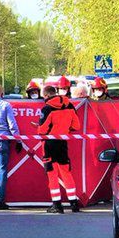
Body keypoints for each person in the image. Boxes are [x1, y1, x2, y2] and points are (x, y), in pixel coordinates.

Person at [38, 85, 81, 213]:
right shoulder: (69, 105)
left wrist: (39, 128)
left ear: (46, 95)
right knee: (66, 173)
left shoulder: (47, 109)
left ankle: (57, 205)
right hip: (62, 143)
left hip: (49, 144)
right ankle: (74, 203)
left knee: (52, 175)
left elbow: (42, 130)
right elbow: (76, 126)